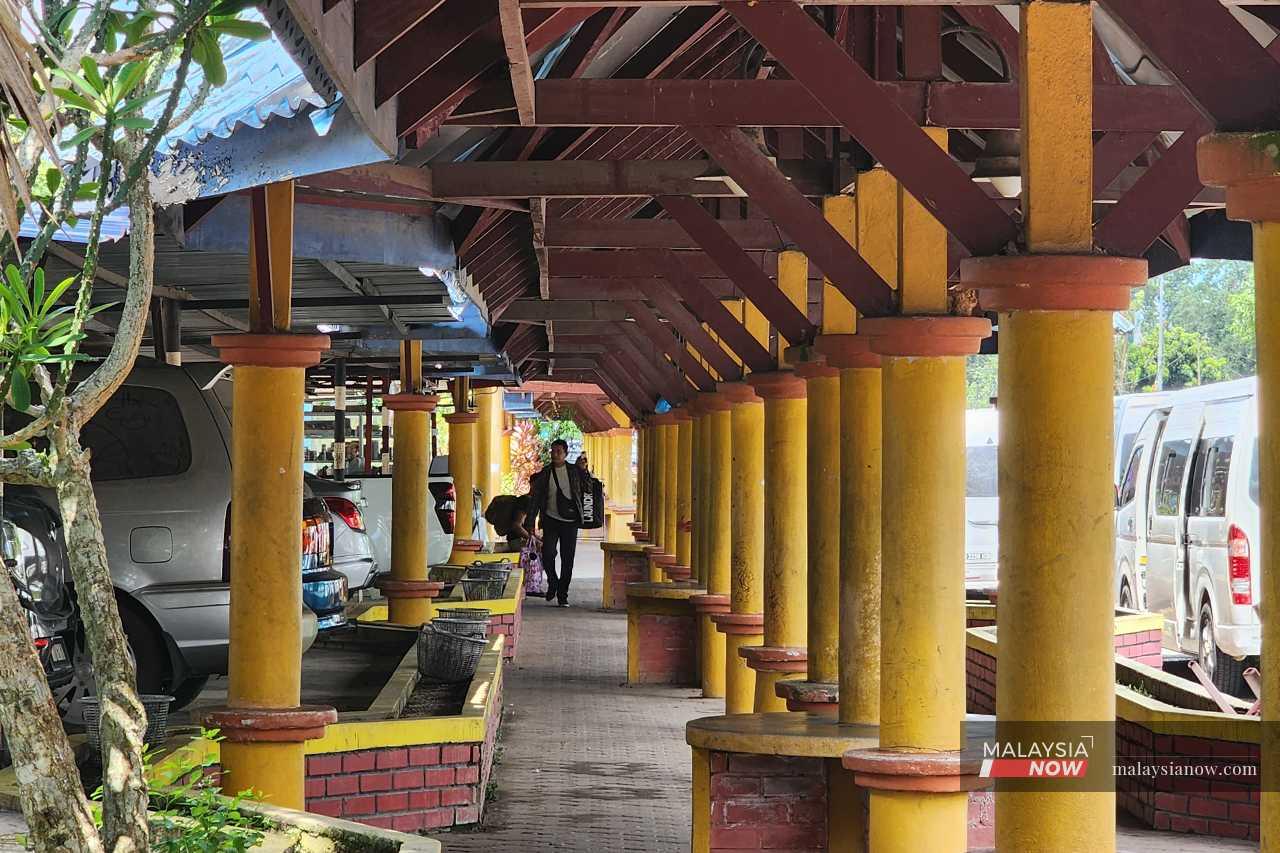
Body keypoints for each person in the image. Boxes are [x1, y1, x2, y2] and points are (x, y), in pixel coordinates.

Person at [527, 439, 587, 607]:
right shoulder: (545, 473)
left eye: (558, 451)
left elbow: (588, 488)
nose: (554, 454)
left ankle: (562, 594)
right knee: (548, 554)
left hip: (570, 522)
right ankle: (553, 582)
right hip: (550, 520)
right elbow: (536, 499)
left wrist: (583, 471)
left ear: (566, 454)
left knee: (568, 559)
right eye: (553, 451)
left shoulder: (574, 471)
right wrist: (530, 522)